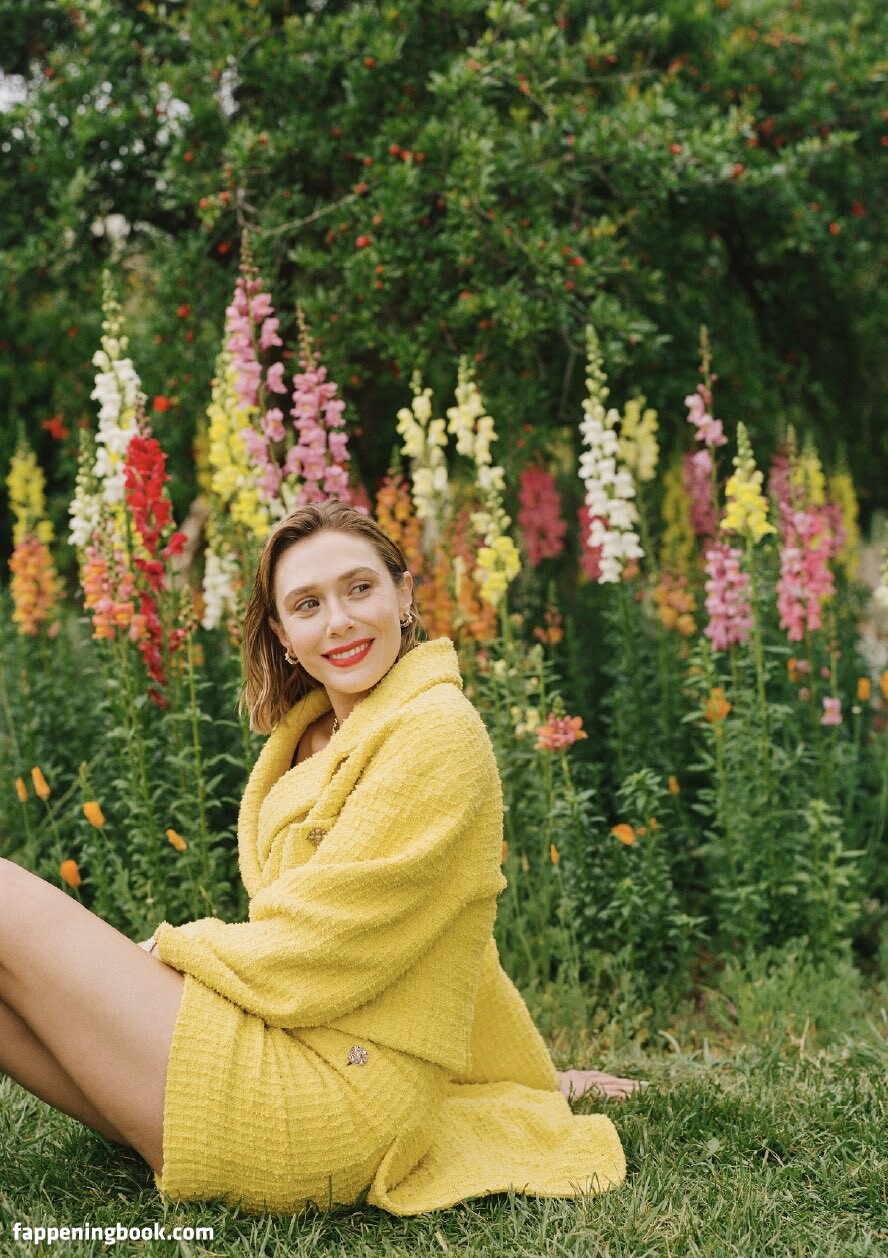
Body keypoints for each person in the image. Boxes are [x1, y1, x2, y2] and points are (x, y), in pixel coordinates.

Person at [0, 500, 642, 1215]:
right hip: (296, 1039)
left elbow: (322, 942)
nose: (338, 621)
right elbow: (450, 946)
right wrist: (527, 1081)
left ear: (404, 594)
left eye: (359, 588)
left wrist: (167, 951)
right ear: (282, 634)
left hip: (336, 1104)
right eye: (307, 604)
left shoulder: (436, 733)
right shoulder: (315, 737)